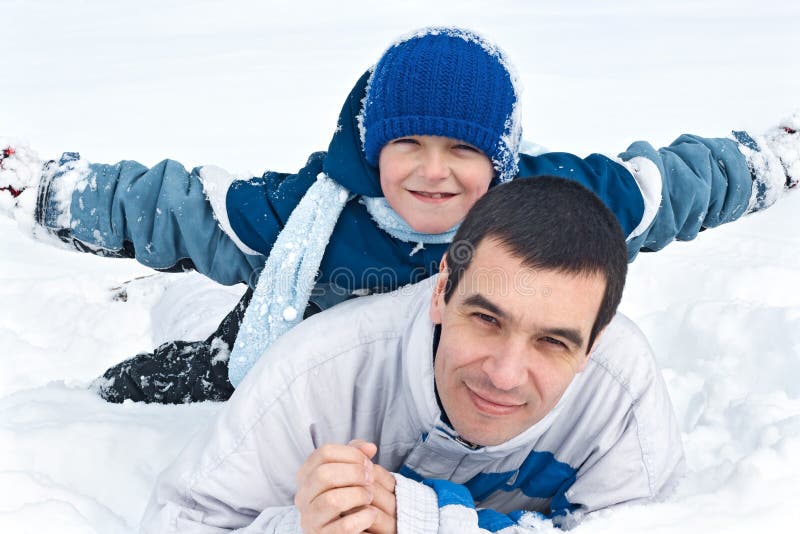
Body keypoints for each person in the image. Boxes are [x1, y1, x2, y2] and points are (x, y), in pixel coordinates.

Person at [0, 27, 797, 404]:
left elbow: (675, 186)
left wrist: (769, 163)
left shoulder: (553, 209)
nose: (432, 171)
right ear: (370, 145)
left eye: (461, 148)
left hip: (437, 375)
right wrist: (46, 193)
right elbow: (176, 209)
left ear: (502, 159)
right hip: (290, 342)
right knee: (137, 394)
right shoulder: (313, 211)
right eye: (406, 142)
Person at [140, 177, 684, 533]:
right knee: (189, 336)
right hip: (261, 335)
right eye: (487, 320)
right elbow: (180, 522)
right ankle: (155, 299)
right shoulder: (313, 370)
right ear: (442, 289)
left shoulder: (620, 390)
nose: (504, 375)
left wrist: (430, 521)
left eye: (553, 341)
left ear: (594, 341)